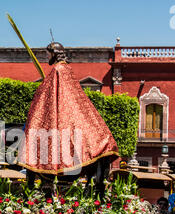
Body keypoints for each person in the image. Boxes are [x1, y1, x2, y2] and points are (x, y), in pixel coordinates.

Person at [17, 42, 119, 175]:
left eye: (48, 54)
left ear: (54, 54)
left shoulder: (57, 70)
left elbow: (47, 94)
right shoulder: (68, 70)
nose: (47, 57)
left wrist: (43, 87)